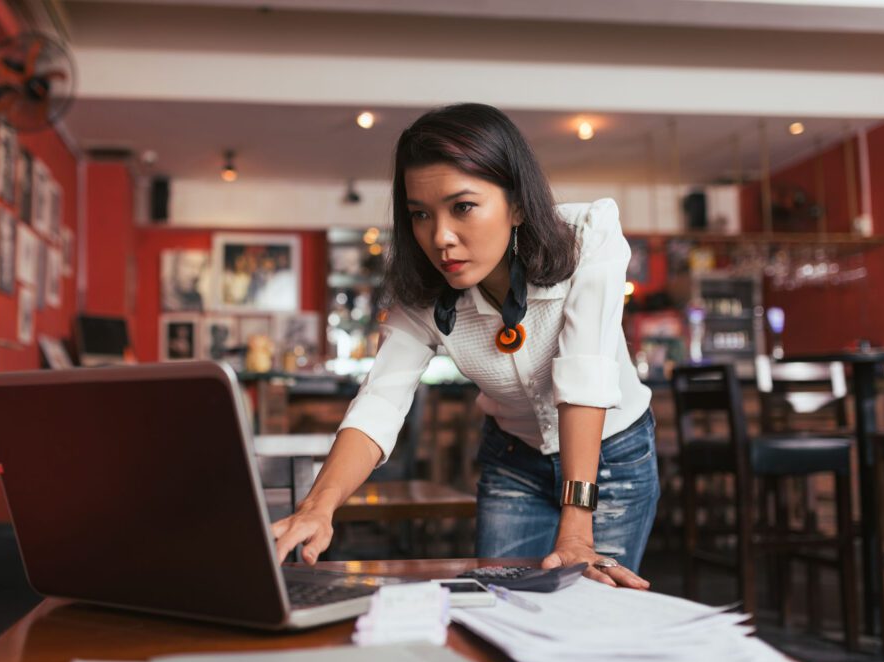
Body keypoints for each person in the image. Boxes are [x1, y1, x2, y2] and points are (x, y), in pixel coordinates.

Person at [272, 103, 659, 589]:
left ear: (516, 203)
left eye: (463, 207)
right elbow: (380, 400)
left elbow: (585, 373)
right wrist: (318, 506)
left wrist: (577, 525)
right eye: (420, 214)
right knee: (502, 607)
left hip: (610, 458)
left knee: (593, 616)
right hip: (514, 460)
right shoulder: (420, 290)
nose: (440, 238)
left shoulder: (588, 237)